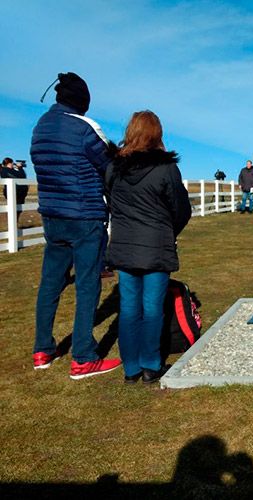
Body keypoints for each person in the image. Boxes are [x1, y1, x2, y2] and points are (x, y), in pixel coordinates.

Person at [30, 72, 121, 378]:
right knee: (87, 284)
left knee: (50, 283)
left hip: (52, 216)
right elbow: (109, 165)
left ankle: (42, 349)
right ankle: (83, 355)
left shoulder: (40, 126)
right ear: (82, 101)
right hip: (85, 216)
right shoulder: (83, 127)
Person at [105, 110, 191, 384]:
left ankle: (131, 368)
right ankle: (151, 366)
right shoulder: (166, 169)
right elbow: (181, 209)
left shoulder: (113, 169)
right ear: (157, 134)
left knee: (129, 308)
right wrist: (167, 232)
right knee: (152, 308)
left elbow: (112, 203)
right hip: (156, 247)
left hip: (126, 246)